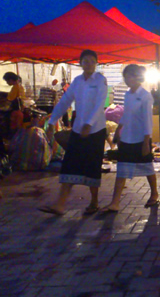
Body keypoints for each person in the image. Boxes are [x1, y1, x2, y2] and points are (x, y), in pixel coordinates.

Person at [39, 50, 108, 216]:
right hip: (78, 130)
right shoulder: (77, 81)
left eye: (92, 61)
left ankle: (94, 202)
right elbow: (65, 102)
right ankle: (60, 204)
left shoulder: (100, 80)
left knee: (92, 166)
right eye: (86, 61)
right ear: (80, 63)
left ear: (96, 63)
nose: (89, 64)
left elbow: (100, 104)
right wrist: (52, 121)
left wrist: (89, 123)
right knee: (69, 164)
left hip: (96, 130)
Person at [101, 65, 158, 212]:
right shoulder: (128, 94)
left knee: (147, 167)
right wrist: (119, 129)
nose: (127, 79)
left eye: (130, 76)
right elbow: (126, 114)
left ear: (138, 77)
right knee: (121, 169)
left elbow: (148, 120)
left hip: (141, 137)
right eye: (126, 77)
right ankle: (115, 202)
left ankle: (154, 193)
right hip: (127, 137)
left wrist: (146, 142)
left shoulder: (145, 96)